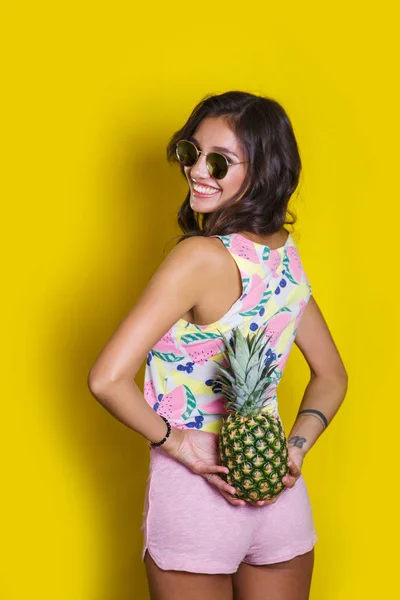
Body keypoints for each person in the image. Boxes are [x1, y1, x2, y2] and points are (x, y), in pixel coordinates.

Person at [87, 90, 348, 600]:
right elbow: (333, 375)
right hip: (278, 492)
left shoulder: (198, 258)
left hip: (196, 495)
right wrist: (295, 447)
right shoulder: (285, 257)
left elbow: (106, 378)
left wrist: (176, 441)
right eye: (191, 152)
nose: (197, 171)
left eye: (220, 161)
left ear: (264, 171)